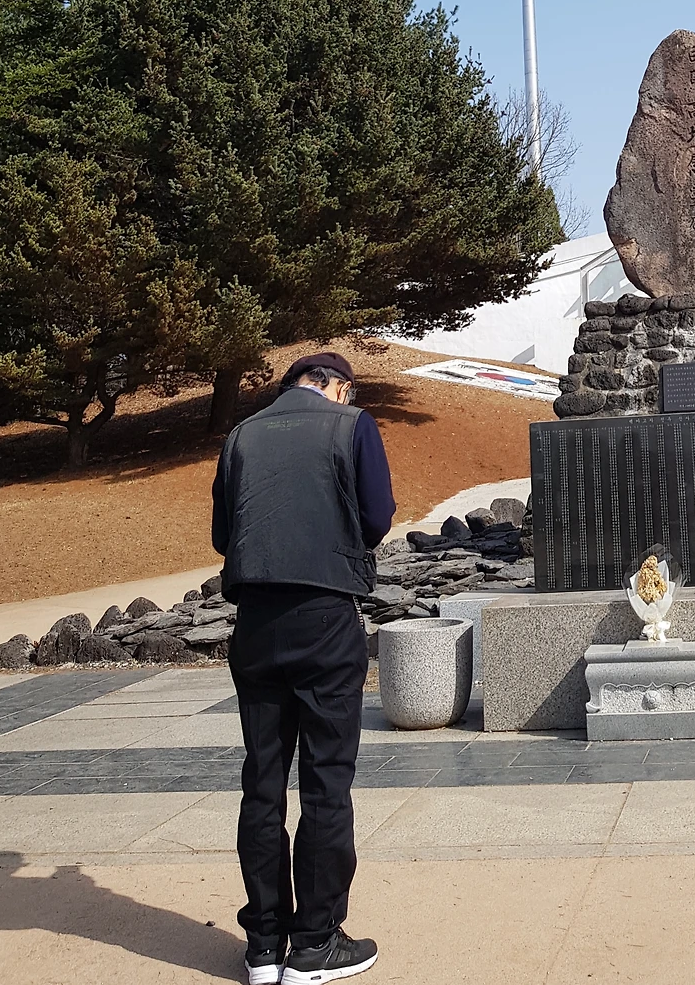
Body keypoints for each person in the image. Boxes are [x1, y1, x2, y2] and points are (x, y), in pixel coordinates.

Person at [212, 351, 395, 985]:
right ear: (338, 388)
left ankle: (264, 946)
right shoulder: (353, 426)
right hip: (323, 615)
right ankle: (315, 944)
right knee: (325, 782)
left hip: (255, 623)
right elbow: (376, 518)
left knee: (263, 782)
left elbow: (223, 535)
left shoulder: (241, 435)